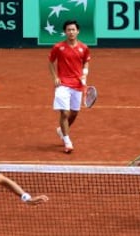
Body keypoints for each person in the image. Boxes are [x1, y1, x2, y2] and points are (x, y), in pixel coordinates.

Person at [48, 20, 91, 154]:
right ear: (65, 32)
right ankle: (67, 141)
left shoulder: (84, 48)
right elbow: (50, 62)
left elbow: (86, 63)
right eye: (68, 30)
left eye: (73, 30)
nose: (71, 32)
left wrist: (84, 74)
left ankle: (61, 130)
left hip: (77, 85)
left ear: (77, 31)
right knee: (65, 113)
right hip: (63, 84)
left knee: (74, 113)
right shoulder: (58, 47)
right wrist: (55, 77)